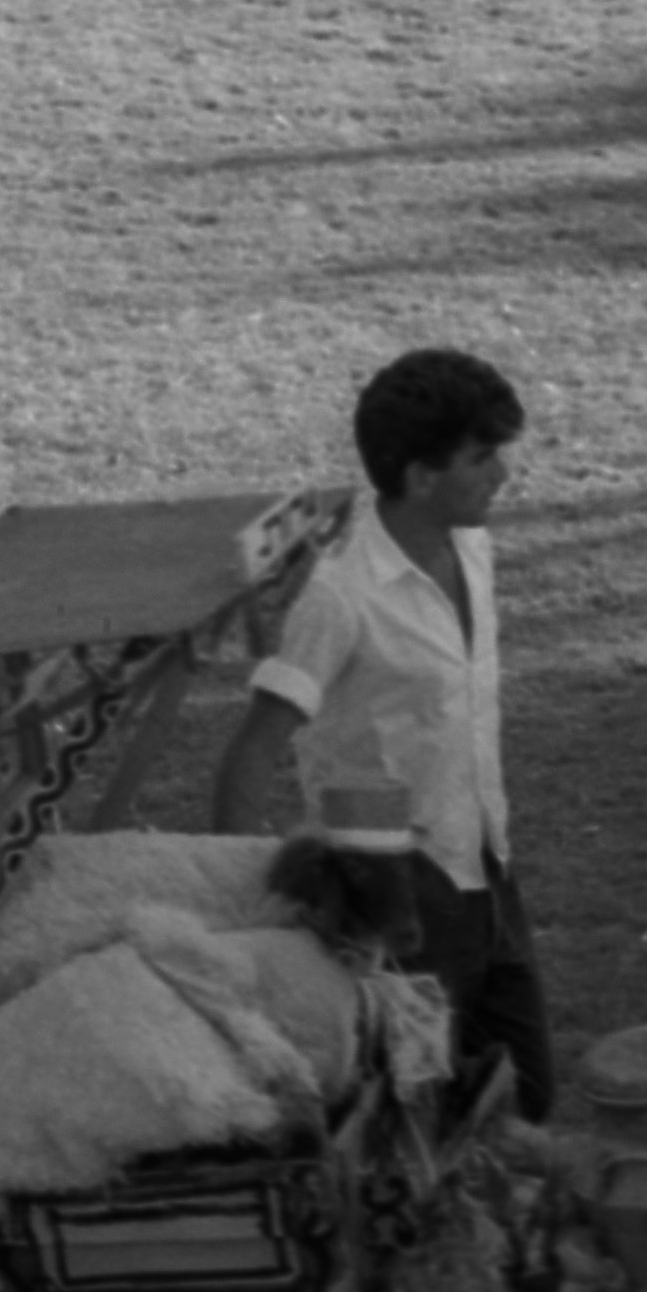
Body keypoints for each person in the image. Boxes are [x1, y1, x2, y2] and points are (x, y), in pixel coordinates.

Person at [212, 346, 547, 1117]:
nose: (501, 473)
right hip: (403, 909)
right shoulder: (341, 598)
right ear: (420, 477)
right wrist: (239, 900)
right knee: (418, 1110)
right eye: (481, 457)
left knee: (528, 1097)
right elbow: (255, 746)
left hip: (487, 870)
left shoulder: (473, 546)